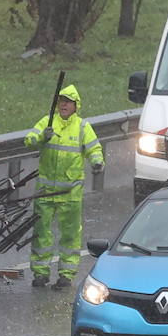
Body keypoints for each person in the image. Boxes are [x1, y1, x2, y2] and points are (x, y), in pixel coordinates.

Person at [23, 84, 104, 289]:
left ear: (76, 105)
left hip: (70, 193)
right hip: (46, 192)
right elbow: (29, 141)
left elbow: (94, 148)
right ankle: (40, 274)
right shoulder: (47, 122)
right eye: (61, 101)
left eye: (68, 101)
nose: (64, 105)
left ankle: (66, 275)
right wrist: (43, 137)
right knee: (42, 234)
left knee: (70, 235)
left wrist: (97, 161)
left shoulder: (83, 127)